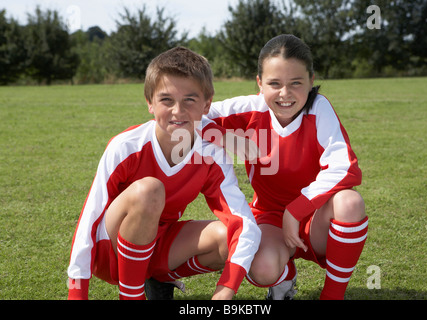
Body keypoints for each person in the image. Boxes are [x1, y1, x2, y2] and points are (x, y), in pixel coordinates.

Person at [67, 47, 261, 300]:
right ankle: (131, 294)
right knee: (149, 190)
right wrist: (77, 293)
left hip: (158, 246)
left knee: (226, 238)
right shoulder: (126, 146)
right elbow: (89, 218)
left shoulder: (211, 154)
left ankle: (159, 279)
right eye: (166, 100)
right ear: (150, 102)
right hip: (111, 252)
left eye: (189, 100)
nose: (178, 111)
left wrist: (226, 289)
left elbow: (244, 224)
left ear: (207, 104)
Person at [203, 34, 368, 300]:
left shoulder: (318, 108)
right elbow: (193, 115)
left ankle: (332, 295)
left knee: (350, 203)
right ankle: (283, 279)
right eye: (274, 84)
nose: (285, 94)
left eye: (296, 83)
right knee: (263, 268)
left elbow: (344, 167)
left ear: (311, 80)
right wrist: (224, 137)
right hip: (270, 216)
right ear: (259, 83)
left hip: (314, 217)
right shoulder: (250, 108)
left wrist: (296, 209)